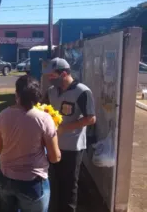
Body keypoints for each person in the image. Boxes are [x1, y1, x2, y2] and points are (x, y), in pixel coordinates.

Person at [0, 75, 61, 212]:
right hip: (32, 182)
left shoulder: (3, 115)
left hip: (5, 178)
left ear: (16, 93)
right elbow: (55, 157)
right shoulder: (44, 118)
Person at [43, 58, 96, 212]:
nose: (49, 79)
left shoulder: (82, 92)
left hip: (72, 147)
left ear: (64, 74)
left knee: (70, 184)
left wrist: (64, 128)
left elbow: (91, 118)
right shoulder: (52, 91)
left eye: (52, 76)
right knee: (55, 180)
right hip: (53, 145)